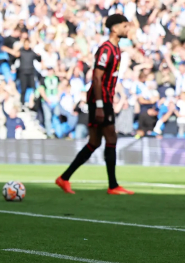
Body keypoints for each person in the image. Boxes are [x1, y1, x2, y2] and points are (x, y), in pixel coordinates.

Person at [56, 14, 134, 195]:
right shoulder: (106, 50)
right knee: (111, 139)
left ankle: (64, 178)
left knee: (94, 142)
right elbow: (96, 78)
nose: (127, 29)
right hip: (100, 100)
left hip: (105, 99)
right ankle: (113, 186)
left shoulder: (116, 49)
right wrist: (99, 104)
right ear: (114, 28)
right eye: (124, 26)